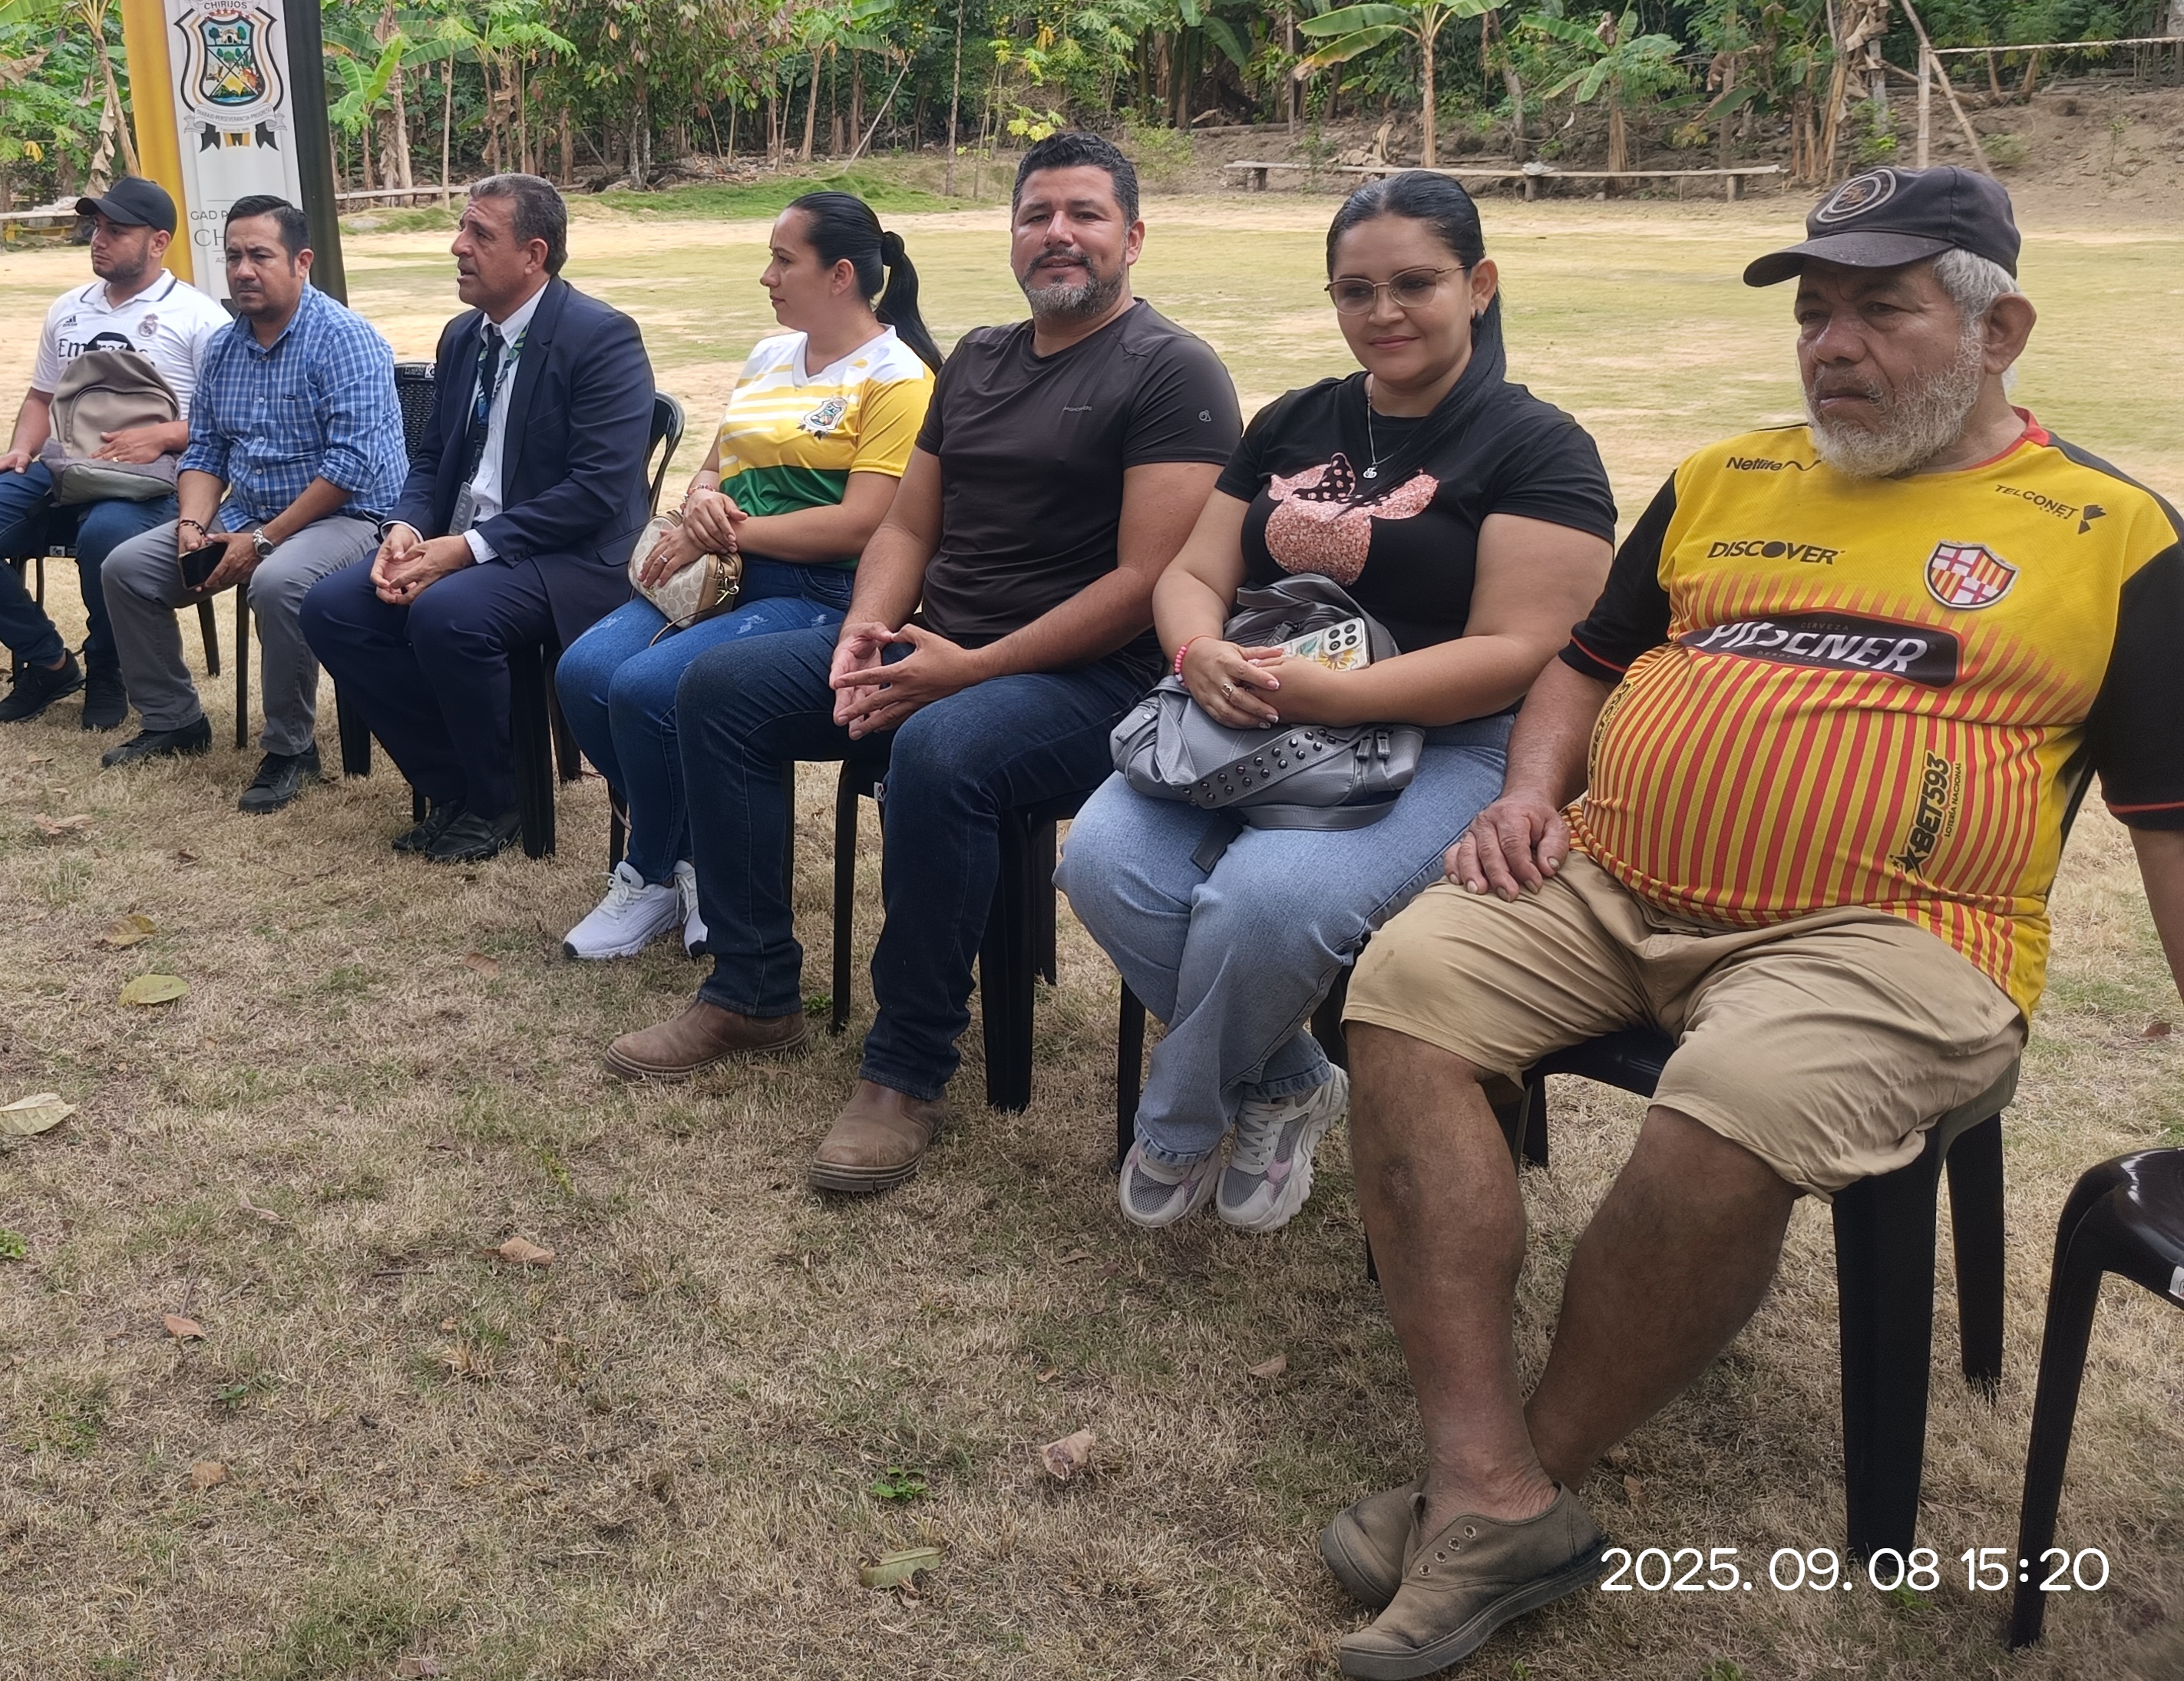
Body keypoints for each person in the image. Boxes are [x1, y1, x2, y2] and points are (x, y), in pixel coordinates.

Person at [1322, 167, 2184, 1681]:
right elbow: (1586, 662)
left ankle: (1508, 1485)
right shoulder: (1724, 477)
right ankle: (1490, 1481)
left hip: (1899, 940)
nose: (1831, 344)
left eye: (1881, 311)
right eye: (1814, 312)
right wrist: (1527, 794)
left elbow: (2172, 820)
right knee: (1402, 989)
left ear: (1999, 333)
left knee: (1731, 1106)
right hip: (1608, 885)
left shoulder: (2114, 534)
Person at [606, 130, 1241, 1196]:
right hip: (933, 643)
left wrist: (972, 669)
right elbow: (905, 528)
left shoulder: (1172, 372)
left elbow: (1146, 582)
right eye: (1036, 215)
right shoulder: (981, 359)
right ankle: (752, 990)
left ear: (1133, 237)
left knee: (942, 750)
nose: (1058, 234)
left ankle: (904, 1069)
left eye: (1084, 215)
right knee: (718, 688)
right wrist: (864, 631)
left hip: (1098, 680)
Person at [1058, 173, 1614, 1236]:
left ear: (1480, 286)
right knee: (1104, 861)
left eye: (1415, 284)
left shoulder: (1538, 448)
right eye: (1356, 291)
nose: (1383, 312)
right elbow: (1194, 570)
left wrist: (1338, 692)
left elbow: (1518, 652)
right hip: (1255, 715)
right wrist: (1197, 648)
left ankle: (1177, 1120)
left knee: (1266, 904)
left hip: (1449, 742)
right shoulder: (1297, 418)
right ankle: (1292, 1079)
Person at [553, 192, 940, 961]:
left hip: (820, 594)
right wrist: (701, 500)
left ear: (839, 275)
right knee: (585, 674)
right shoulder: (769, 356)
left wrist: (725, 531)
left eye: (782, 260)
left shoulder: (899, 378)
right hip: (725, 578)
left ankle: (649, 871)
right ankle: (694, 859)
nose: (767, 277)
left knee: (645, 689)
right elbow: (715, 464)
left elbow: (864, 523)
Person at [300, 173, 658, 864]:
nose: (457, 246)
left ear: (533, 255)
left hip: (571, 556)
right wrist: (404, 529)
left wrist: (465, 548)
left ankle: (502, 798)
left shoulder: (601, 337)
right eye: (462, 229)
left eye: (480, 234)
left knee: (448, 613)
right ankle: (455, 783)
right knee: (333, 608)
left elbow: (597, 490)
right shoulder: (464, 336)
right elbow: (433, 456)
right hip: (468, 543)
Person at [95, 193, 405, 812]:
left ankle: (291, 748)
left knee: (278, 582)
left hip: (351, 517)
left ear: (301, 262)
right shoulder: (223, 346)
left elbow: (349, 470)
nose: (243, 271)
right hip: (250, 512)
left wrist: (263, 542)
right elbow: (206, 450)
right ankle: (174, 719)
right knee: (126, 569)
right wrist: (192, 522)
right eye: (233, 256)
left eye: (260, 256)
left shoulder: (344, 339)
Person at [0, 177, 230, 729]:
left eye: (117, 231)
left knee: (106, 536)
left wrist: (162, 436)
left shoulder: (200, 318)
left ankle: (109, 666)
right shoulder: (68, 309)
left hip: (151, 477)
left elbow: (229, 418)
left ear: (159, 242)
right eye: (97, 227)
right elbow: (42, 397)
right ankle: (49, 663)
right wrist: (20, 449)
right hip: (63, 465)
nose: (99, 239)